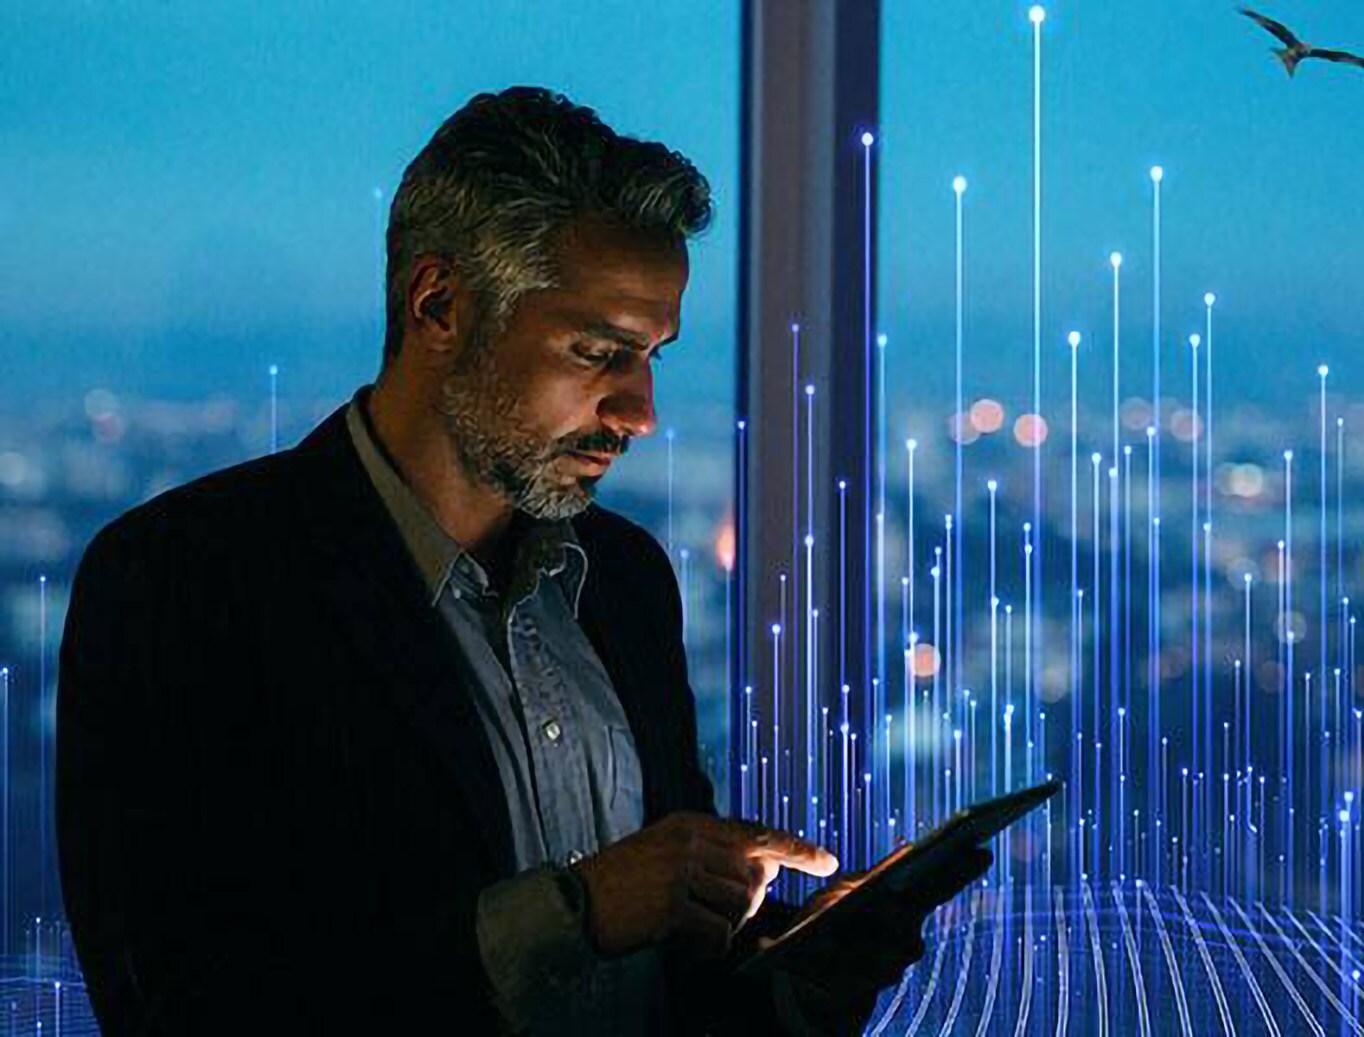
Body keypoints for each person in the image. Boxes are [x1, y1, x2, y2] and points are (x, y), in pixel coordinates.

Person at [56, 86, 990, 1035]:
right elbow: (183, 1004)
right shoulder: (187, 580)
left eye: (654, 355)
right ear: (439, 305)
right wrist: (576, 912)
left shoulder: (623, 581)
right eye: (598, 351)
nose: (641, 413)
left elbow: (668, 980)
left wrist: (802, 969)